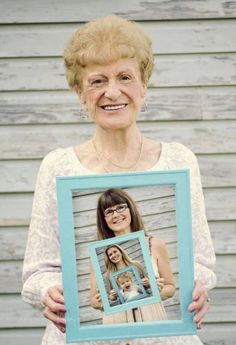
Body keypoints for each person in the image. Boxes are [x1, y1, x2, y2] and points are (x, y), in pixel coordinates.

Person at [21, 14, 216, 345]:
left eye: (125, 77)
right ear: (80, 94)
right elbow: (37, 272)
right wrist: (49, 292)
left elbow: (199, 261)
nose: (112, 92)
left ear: (144, 86)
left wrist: (194, 287)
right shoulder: (58, 167)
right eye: (97, 81)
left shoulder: (179, 160)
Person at [90, 188, 174, 324]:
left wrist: (154, 290)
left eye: (120, 207)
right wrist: (107, 300)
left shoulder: (155, 244)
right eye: (109, 212)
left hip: (151, 319)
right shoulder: (95, 255)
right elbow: (94, 301)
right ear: (103, 219)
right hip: (117, 323)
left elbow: (170, 287)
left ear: (130, 209)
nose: (116, 215)